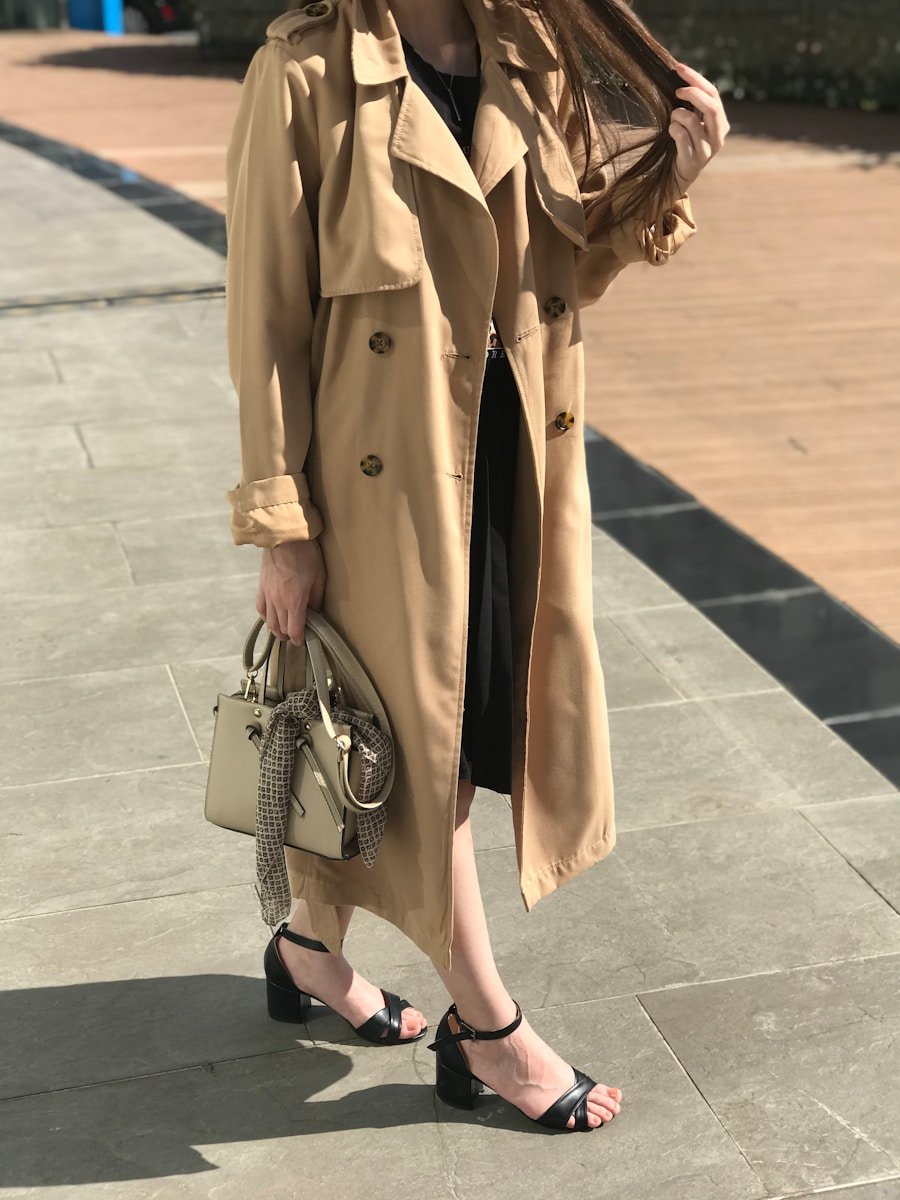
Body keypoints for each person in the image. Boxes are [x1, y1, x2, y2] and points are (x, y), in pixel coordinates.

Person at [224, 0, 728, 1133]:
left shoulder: (532, 55)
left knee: (418, 731)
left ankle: (308, 953)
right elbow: (265, 320)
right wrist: (283, 526)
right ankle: (489, 1030)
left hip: (509, 457)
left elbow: (571, 267)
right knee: (426, 749)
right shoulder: (301, 75)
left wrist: (671, 178)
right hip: (381, 488)